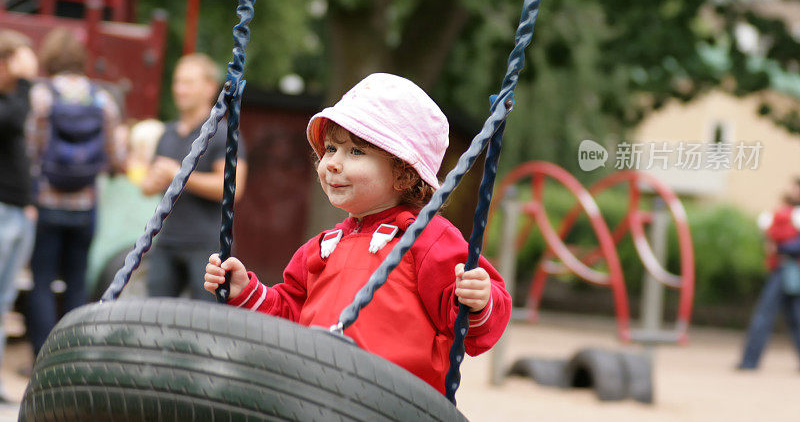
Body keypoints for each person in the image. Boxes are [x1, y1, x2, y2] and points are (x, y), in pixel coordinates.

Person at [204, 73, 511, 395]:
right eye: (331, 149)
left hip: (392, 402)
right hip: (317, 394)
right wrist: (245, 291)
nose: (332, 163)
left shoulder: (427, 239)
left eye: (356, 152)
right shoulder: (322, 248)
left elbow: (473, 332)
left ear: (404, 174)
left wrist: (478, 300)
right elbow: (290, 316)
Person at [26, 28, 123, 358]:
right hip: (85, 204)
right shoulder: (102, 98)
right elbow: (115, 154)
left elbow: (31, 149)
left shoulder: (42, 96)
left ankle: (40, 356)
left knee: (41, 281)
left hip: (47, 203)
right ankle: (70, 354)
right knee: (77, 281)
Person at [141, 53, 248, 301]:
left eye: (188, 83)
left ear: (210, 86)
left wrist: (179, 175)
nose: (180, 89)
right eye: (177, 82)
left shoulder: (223, 134)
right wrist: (152, 181)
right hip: (166, 240)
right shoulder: (166, 133)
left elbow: (233, 188)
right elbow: (148, 186)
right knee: (153, 316)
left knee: (205, 321)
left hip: (207, 246)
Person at [0, 31, 38, 403]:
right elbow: (10, 122)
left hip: (16, 210)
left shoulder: (14, 97)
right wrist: (25, 81)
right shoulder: (13, 100)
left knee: (4, 300)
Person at [737, 178, 800, 370]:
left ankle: (749, 361)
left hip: (788, 270)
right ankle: (749, 360)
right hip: (783, 269)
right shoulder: (781, 214)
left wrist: (778, 247)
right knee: (793, 317)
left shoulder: (793, 216)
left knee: (766, 315)